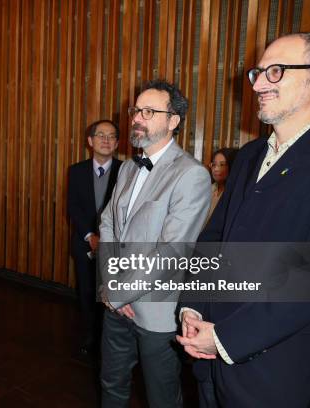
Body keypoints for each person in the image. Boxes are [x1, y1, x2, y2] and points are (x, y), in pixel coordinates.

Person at [177, 33, 310, 407]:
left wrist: (226, 340)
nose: (258, 84)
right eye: (258, 73)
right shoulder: (251, 154)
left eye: (275, 72)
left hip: (272, 371)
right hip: (209, 360)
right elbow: (215, 238)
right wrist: (192, 305)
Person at [98, 79, 211, 408]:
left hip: (157, 312)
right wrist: (111, 285)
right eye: (136, 110)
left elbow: (171, 253)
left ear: (173, 120)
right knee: (112, 385)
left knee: (161, 397)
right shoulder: (129, 167)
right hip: (115, 303)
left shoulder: (191, 174)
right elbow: (107, 223)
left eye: (149, 111)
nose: (137, 118)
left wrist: (117, 294)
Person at [67, 119, 122, 357]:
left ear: (117, 143)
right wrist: (90, 236)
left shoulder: (126, 171)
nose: (106, 140)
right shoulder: (76, 170)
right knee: (87, 291)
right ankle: (90, 336)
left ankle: (108, 339)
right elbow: (73, 207)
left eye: (111, 136)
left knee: (110, 292)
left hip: (116, 246)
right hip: (84, 243)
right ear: (90, 141)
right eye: (101, 135)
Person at [205, 147, 238, 224]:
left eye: (222, 164)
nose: (216, 169)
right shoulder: (208, 190)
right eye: (214, 164)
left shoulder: (235, 194)